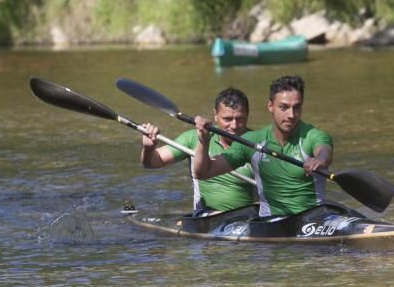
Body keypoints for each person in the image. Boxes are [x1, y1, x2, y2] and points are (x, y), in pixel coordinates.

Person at [192, 75, 333, 217]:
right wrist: (203, 140)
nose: (291, 115)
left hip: (313, 221)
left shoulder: (314, 135)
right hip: (270, 223)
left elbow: (324, 151)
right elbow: (203, 172)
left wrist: (320, 160)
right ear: (270, 106)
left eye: (296, 108)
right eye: (284, 107)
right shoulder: (252, 141)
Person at [139, 87, 255, 215]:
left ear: (248, 116)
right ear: (215, 115)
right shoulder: (193, 138)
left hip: (249, 217)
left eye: (240, 119)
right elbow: (152, 163)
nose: (234, 126)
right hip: (206, 216)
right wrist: (149, 148)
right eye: (227, 119)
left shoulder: (257, 142)